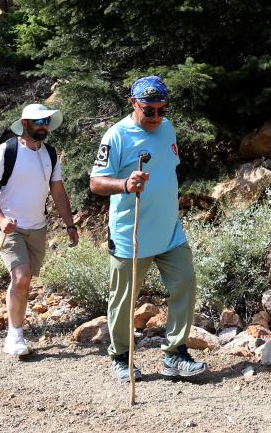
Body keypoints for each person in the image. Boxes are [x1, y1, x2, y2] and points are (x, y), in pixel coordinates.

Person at [89, 76, 206, 382]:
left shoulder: (167, 128)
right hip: (132, 234)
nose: (156, 117)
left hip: (169, 231)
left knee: (185, 284)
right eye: (149, 110)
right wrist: (125, 184)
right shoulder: (116, 136)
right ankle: (120, 357)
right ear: (133, 103)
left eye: (161, 109)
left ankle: (175, 355)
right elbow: (96, 182)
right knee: (124, 299)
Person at [0, 103, 79, 356]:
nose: (43, 126)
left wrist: (70, 224)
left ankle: (16, 329)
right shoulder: (5, 151)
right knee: (21, 276)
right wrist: (1, 219)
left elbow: (58, 191)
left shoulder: (51, 154)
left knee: (26, 280)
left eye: (46, 122)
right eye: (38, 122)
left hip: (38, 226)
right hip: (9, 225)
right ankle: (15, 336)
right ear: (24, 124)